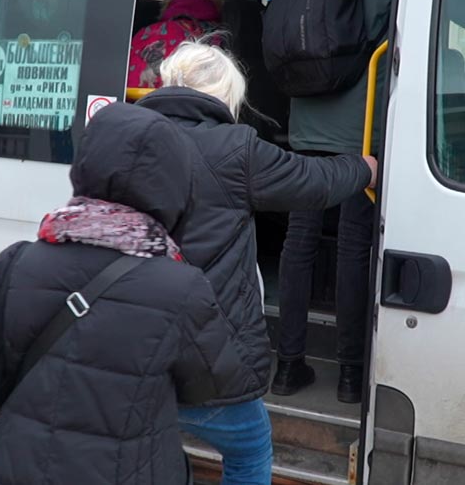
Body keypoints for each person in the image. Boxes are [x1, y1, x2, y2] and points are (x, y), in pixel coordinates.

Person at [0, 102, 257, 485]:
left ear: (85, 164)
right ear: (175, 185)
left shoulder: (17, 263)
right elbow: (209, 385)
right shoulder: (181, 287)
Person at [137, 42, 377, 483]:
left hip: (131, 345)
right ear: (225, 94)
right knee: (248, 450)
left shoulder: (126, 136)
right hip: (211, 356)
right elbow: (313, 181)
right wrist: (364, 168)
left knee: (150, 447)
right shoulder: (236, 148)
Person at [272, 0, 403, 403]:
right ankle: (351, 375)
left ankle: (287, 366)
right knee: (354, 243)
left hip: (307, 112)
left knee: (298, 240)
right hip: (361, 118)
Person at [127, 0, 228, 89]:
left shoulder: (145, 32)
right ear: (214, 6)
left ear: (170, 5)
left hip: (138, 101)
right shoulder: (219, 34)